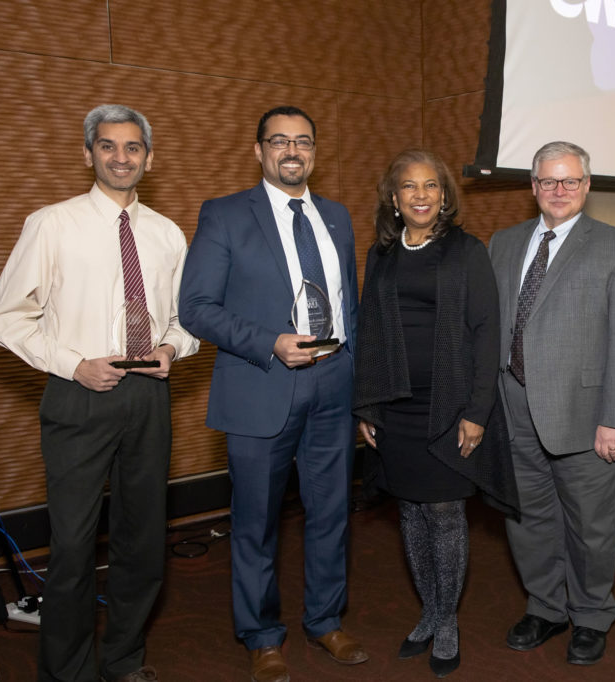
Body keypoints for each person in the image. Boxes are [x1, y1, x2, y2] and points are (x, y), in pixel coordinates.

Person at [0, 104, 199, 682]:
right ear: (88, 154)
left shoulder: (166, 234)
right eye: (108, 146)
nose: (121, 157)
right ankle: (67, 673)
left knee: (143, 541)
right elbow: (3, 319)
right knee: (74, 549)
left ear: (148, 159)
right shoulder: (51, 224)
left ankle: (124, 659)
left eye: (132, 148)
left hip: (148, 398)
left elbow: (187, 320)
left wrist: (172, 349)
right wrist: (74, 365)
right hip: (77, 398)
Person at [178, 106, 365, 682]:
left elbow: (349, 306)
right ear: (258, 150)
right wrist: (270, 342)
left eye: (303, 141)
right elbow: (196, 308)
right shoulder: (226, 215)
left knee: (332, 512)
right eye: (279, 141)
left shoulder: (336, 216)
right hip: (261, 384)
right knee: (256, 521)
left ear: (315, 151)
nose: (292, 150)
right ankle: (261, 636)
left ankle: (326, 620)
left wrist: (358, 382)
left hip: (333, 385)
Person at [354, 149, 519, 678]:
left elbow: (487, 332)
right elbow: (371, 334)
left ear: (445, 196)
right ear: (394, 198)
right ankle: (429, 608)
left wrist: (477, 412)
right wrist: (369, 404)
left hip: (449, 405)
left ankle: (446, 620)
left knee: (446, 512)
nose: (420, 195)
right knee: (410, 510)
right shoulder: (380, 255)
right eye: (409, 186)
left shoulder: (467, 251)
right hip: (396, 406)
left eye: (430, 186)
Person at [488, 141, 615, 665]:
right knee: (527, 519)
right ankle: (546, 607)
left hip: (588, 417)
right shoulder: (503, 242)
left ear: (587, 186)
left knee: (591, 525)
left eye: (571, 181)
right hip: (513, 408)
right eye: (549, 181)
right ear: (533, 187)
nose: (559, 191)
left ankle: (590, 613)